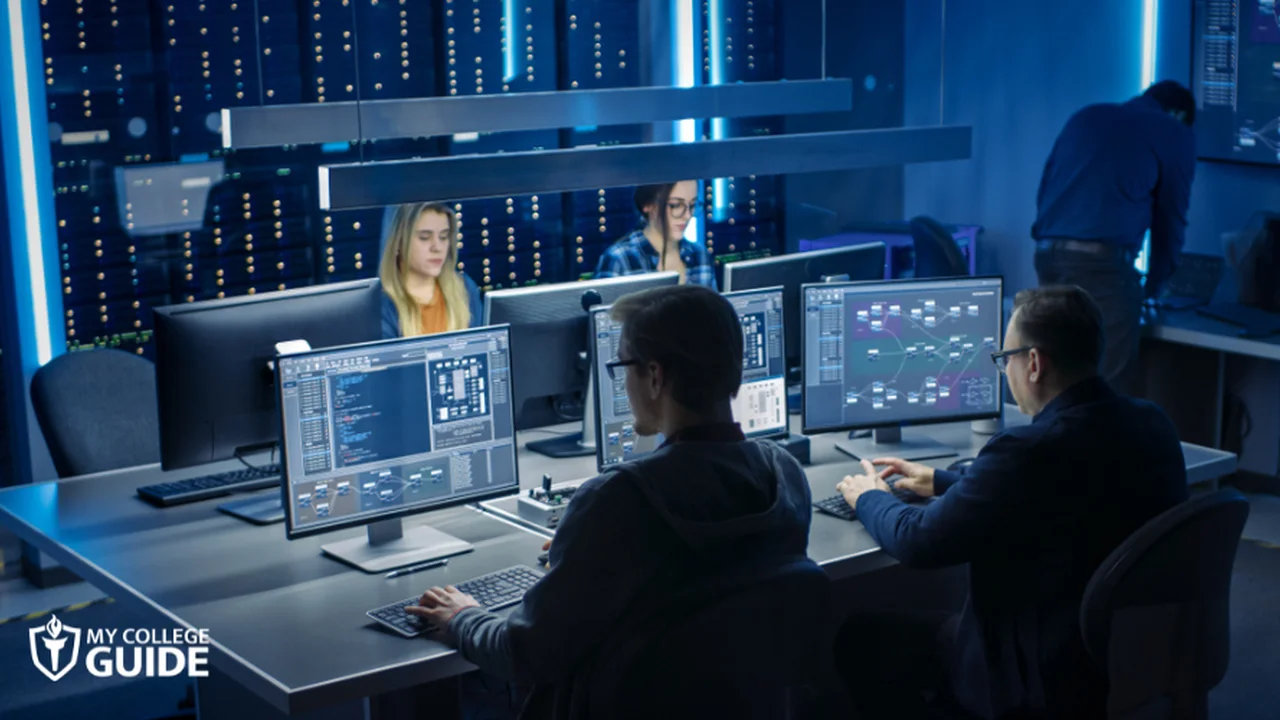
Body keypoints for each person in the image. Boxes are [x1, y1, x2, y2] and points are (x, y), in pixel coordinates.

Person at [407, 284, 812, 715]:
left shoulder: (618, 502)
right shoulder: (785, 475)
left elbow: (526, 653)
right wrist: (589, 551)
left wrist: (463, 618)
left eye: (622, 366)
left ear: (654, 376)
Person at [832, 285, 1189, 720]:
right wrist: (943, 481)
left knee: (860, 637)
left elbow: (917, 540)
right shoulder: (1152, 424)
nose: (1005, 372)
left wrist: (868, 497)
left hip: (1031, 678)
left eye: (1005, 359)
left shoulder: (1027, 452)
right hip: (1124, 658)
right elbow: (1062, 492)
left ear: (1034, 363)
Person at [1032, 80, 1197, 395]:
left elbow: (1045, 189)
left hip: (1048, 258)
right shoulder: (1173, 131)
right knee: (1105, 391)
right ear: (1178, 114)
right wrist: (1155, 285)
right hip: (1102, 270)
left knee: (1053, 379)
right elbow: (1171, 219)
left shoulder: (1086, 116)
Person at [378, 202, 482, 338]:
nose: (437, 247)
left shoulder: (465, 289)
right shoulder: (382, 306)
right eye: (425, 238)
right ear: (398, 243)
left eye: (443, 237)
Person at [594, 180, 718, 289]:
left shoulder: (701, 256)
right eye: (675, 205)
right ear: (648, 205)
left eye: (692, 205)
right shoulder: (619, 259)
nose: (687, 215)